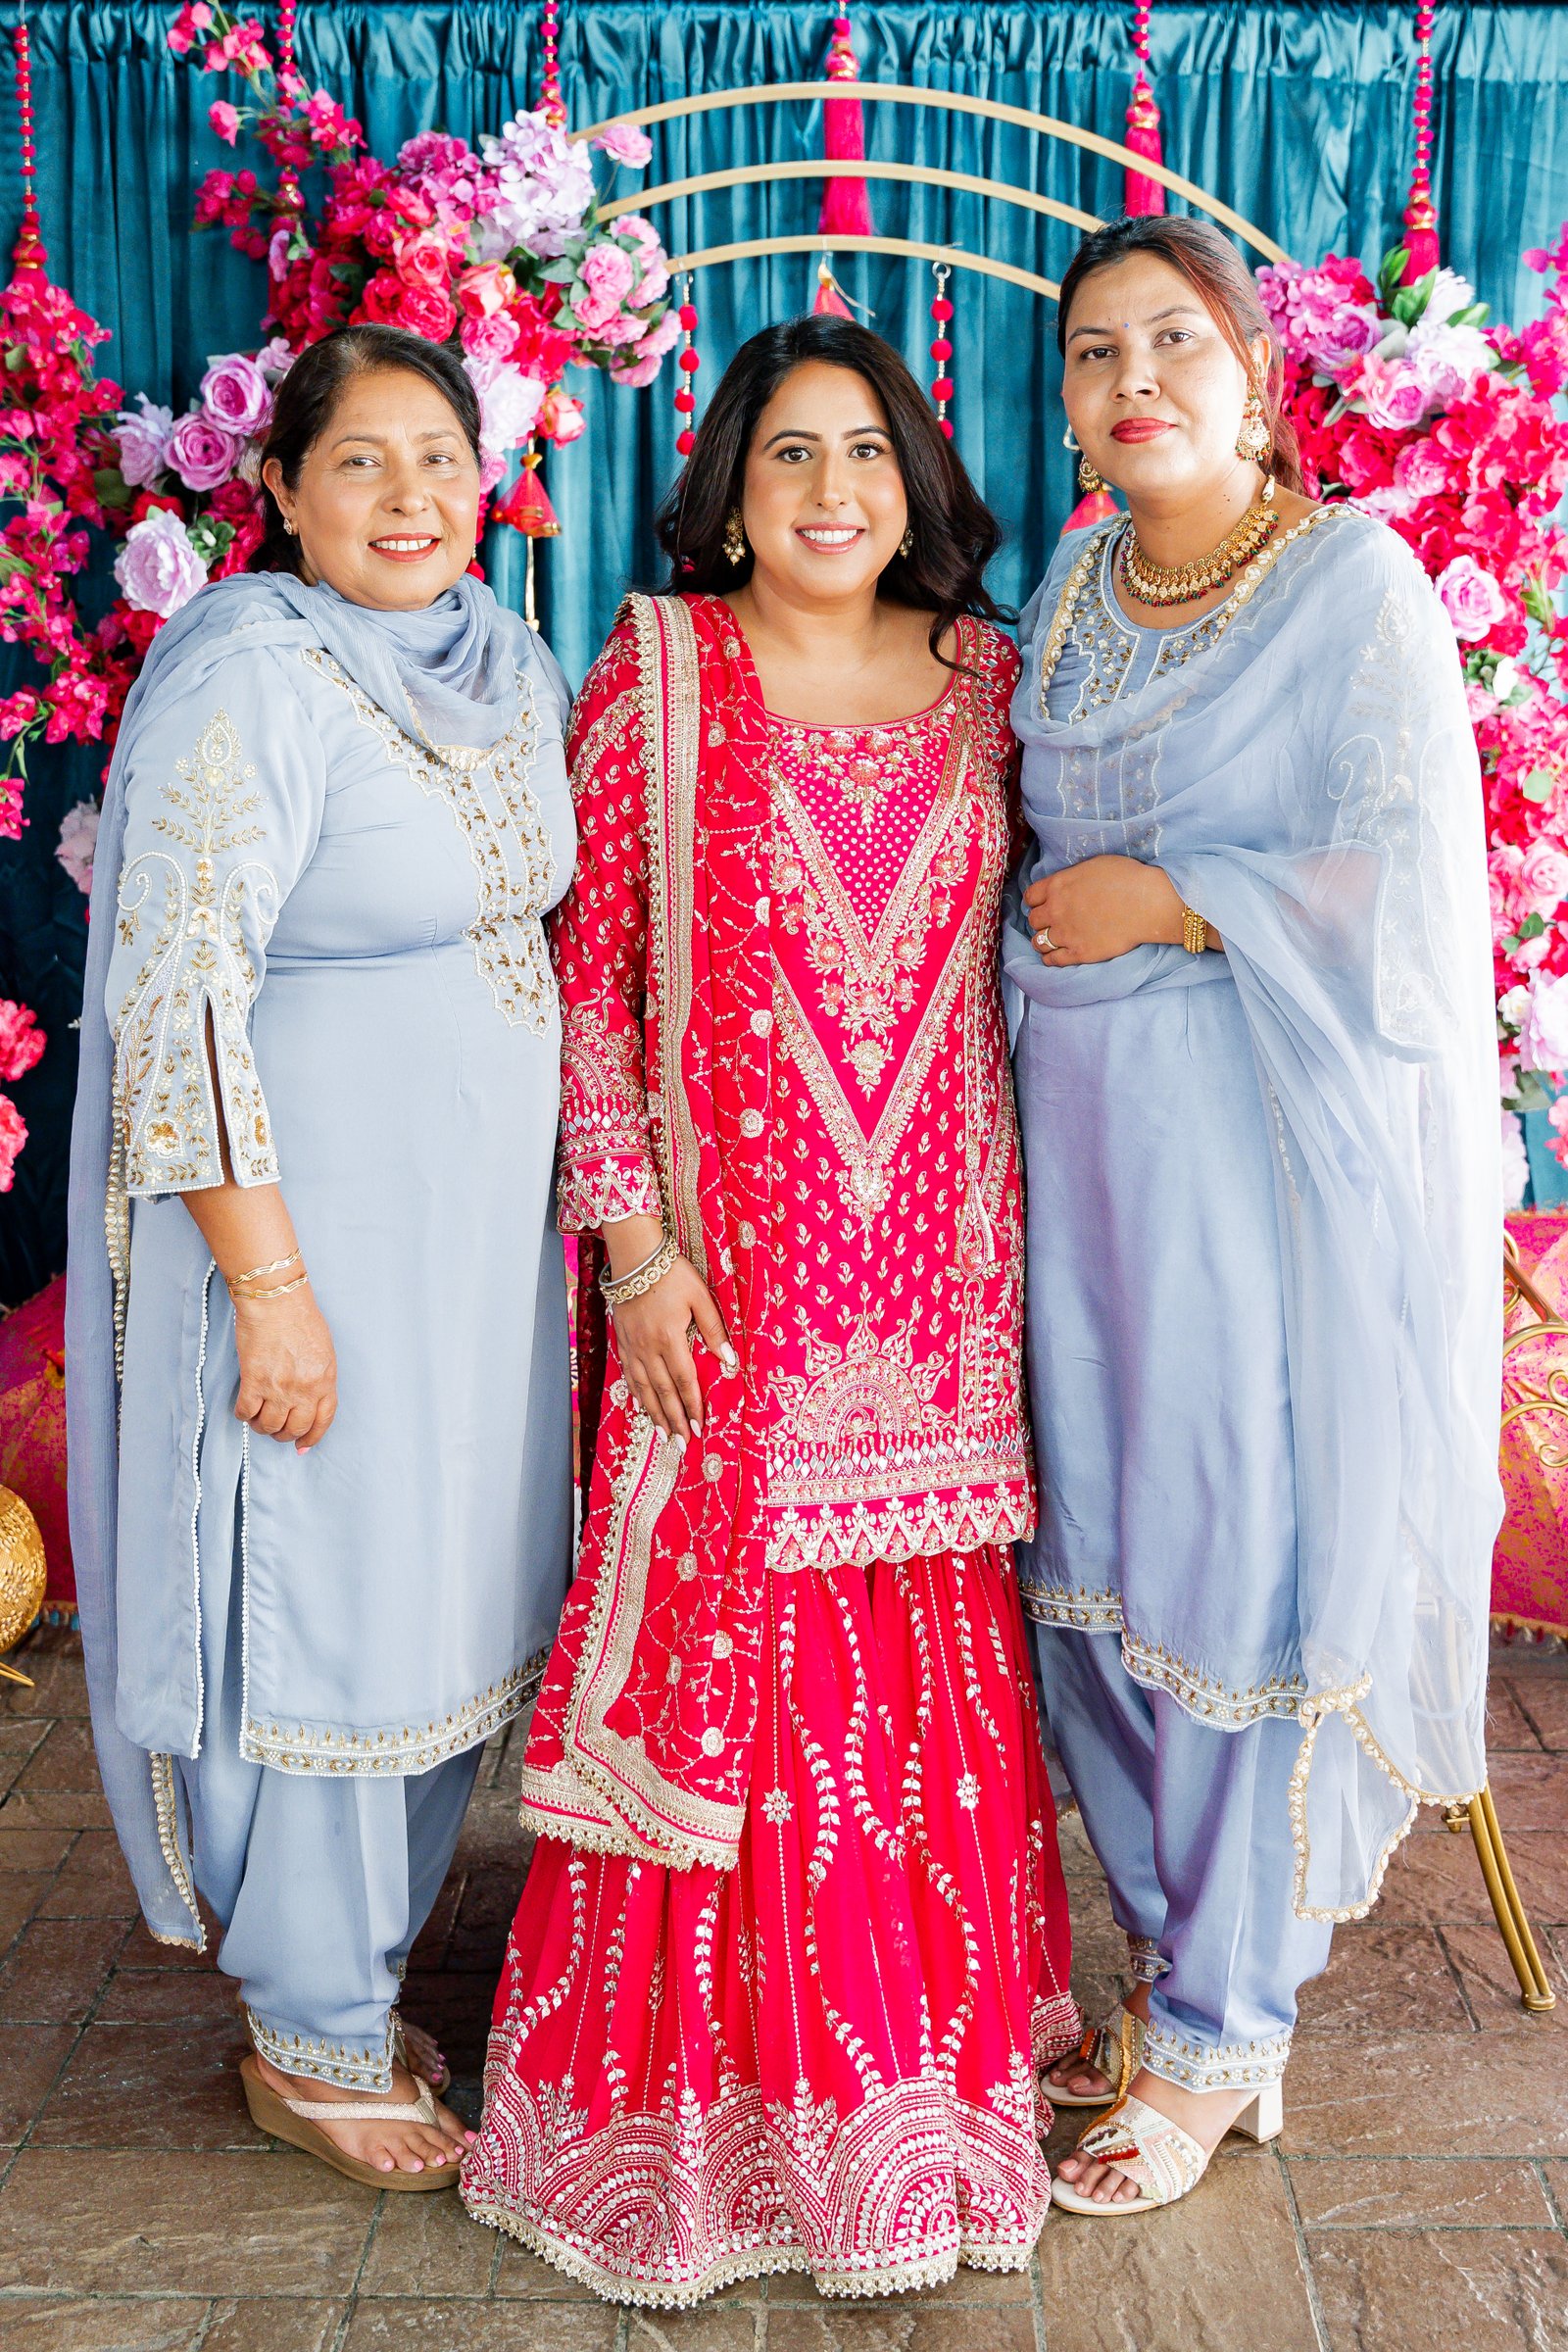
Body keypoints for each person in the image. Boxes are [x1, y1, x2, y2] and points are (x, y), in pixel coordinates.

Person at [461, 315, 1081, 2302]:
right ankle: (698, 2137)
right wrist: (634, 1250)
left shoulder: (989, 684)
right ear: (728, 487)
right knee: (737, 1680)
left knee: (918, 1692)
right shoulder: (654, 674)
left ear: (917, 486)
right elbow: (585, 985)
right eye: (791, 451)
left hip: (937, 1282)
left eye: (868, 451)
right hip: (725, 1293)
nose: (833, 488)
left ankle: (918, 2101)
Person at [1007, 217, 1500, 2216]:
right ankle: (1170, 1980)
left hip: (1247, 1149)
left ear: (1253, 372)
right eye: (1092, 351)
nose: (1133, 378)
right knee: (1094, 1560)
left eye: (1173, 340)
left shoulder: (1348, 584)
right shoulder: (1069, 587)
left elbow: (1410, 895)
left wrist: (1178, 899)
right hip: (1070, 1150)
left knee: (1226, 1559)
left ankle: (1226, 2032)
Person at [66, 323, 576, 2189]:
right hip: (317, 1250)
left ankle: (352, 1984)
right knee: (333, 1609)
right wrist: (271, 1290)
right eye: (359, 461)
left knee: (440, 1603)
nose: (408, 497)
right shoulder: (252, 676)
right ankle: (308, 2029)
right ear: (280, 489)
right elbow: (178, 1000)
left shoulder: (503, 659)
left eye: (439, 456)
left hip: (471, 1262)